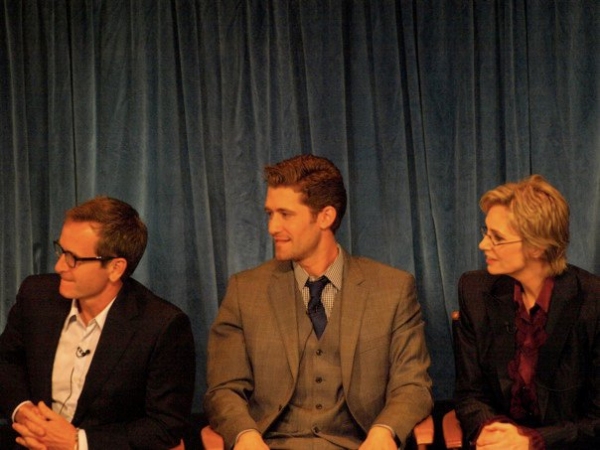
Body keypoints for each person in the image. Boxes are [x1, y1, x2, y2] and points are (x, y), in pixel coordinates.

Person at [204, 154, 433, 450]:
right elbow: (223, 390)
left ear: (325, 216)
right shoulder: (245, 290)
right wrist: (245, 435)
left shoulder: (392, 289)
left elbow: (413, 385)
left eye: (285, 214)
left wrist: (384, 432)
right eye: (269, 214)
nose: (272, 227)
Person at [0, 196, 196, 450]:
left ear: (115, 268)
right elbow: (6, 362)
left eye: (74, 258)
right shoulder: (35, 295)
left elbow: (165, 426)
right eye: (60, 250)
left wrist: (77, 443)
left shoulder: (163, 326)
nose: (60, 266)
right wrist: (22, 409)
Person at [454, 175, 600, 449]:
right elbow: (469, 394)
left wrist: (534, 441)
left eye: (497, 238)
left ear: (537, 246)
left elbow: (596, 421)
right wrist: (490, 430)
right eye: (486, 233)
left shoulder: (592, 302)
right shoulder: (475, 291)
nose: (483, 245)